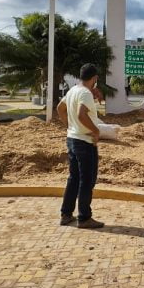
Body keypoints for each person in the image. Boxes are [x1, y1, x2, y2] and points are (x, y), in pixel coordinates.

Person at [55, 63, 103, 229]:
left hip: (72, 139)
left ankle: (66, 214)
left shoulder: (73, 90)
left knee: (74, 178)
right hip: (84, 142)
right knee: (86, 180)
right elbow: (81, 115)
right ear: (94, 78)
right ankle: (84, 218)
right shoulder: (85, 93)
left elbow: (60, 108)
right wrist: (96, 131)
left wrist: (69, 126)